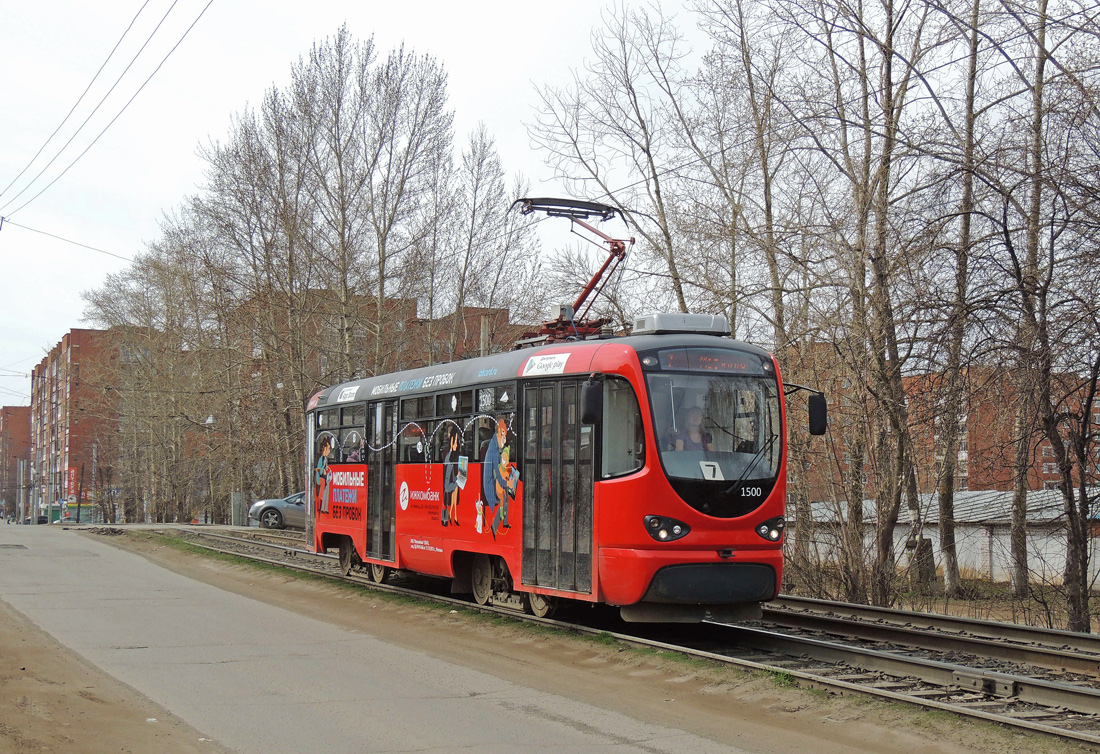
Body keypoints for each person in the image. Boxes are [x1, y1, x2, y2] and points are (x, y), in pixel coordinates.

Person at [481, 418, 517, 538]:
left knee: (505, 497)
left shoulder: (495, 446)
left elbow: (502, 467)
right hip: (491, 486)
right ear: (500, 432)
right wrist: (508, 484)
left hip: (494, 480)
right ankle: (496, 525)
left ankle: (501, 523)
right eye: (504, 436)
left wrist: (509, 472)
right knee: (505, 496)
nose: (505, 440)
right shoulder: (494, 452)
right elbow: (499, 477)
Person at [442, 428, 460, 526]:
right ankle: (452, 516)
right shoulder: (448, 458)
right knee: (454, 494)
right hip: (450, 485)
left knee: (455, 497)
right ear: (450, 442)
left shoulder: (455, 456)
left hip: (454, 483)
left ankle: (455, 516)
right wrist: (458, 479)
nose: (456, 445)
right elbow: (447, 486)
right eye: (454, 442)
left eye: (457, 442)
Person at [314, 435, 332, 514]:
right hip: (320, 478)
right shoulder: (321, 459)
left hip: (325, 478)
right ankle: (321, 508)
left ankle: (325, 508)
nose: (329, 451)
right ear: (325, 449)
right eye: (328, 449)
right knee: (323, 490)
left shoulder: (325, 459)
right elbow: (317, 469)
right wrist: (323, 470)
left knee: (327, 491)